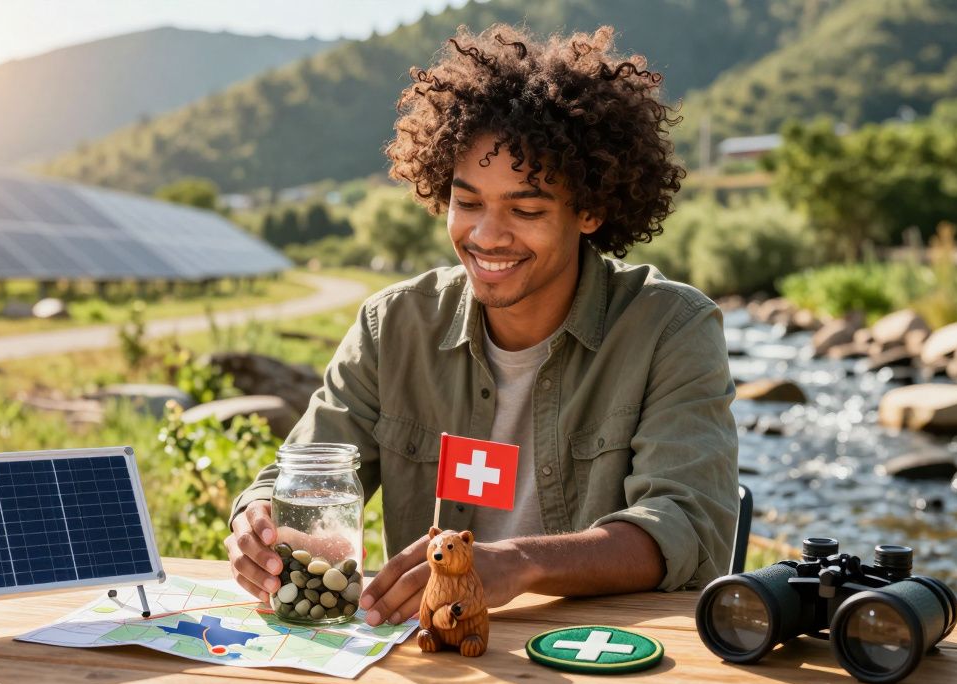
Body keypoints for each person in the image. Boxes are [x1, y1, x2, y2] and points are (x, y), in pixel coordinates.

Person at [225, 24, 738, 627]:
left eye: (525, 210)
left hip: (604, 654)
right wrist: (255, 521)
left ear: (591, 210)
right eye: (467, 203)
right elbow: (305, 469)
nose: (487, 236)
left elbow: (685, 529)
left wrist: (517, 562)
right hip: (436, 656)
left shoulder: (671, 328)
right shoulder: (393, 327)